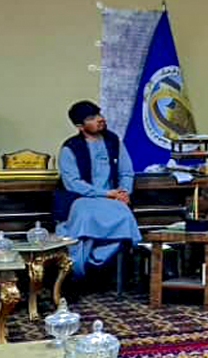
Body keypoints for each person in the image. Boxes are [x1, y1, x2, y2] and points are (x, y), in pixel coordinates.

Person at [53, 101, 143, 279]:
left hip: (113, 200)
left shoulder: (113, 142)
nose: (100, 119)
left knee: (125, 217)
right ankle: (78, 271)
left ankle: (96, 263)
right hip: (82, 200)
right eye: (92, 118)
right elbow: (73, 184)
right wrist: (107, 193)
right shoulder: (70, 148)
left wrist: (124, 192)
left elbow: (126, 172)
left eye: (99, 115)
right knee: (85, 220)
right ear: (80, 126)